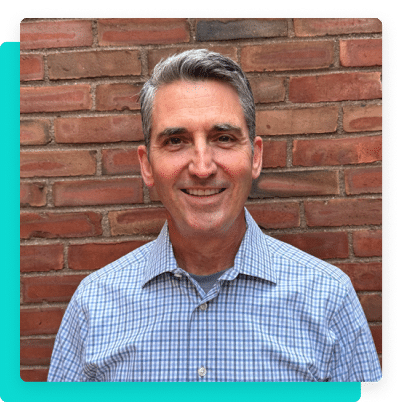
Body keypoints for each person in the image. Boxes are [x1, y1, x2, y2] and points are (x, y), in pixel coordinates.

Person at [47, 49, 382, 382]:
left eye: (223, 138)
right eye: (176, 141)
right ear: (147, 165)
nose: (203, 168)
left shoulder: (328, 298)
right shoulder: (94, 305)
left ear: (255, 158)